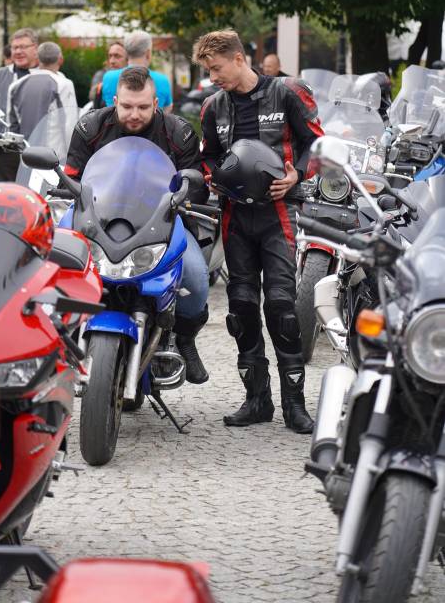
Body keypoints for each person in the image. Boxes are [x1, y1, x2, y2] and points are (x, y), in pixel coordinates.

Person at [195, 30, 323, 433]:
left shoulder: (287, 92)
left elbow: (316, 145)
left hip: (279, 214)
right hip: (235, 217)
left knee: (282, 306)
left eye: (217, 68)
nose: (213, 77)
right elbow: (207, 157)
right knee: (242, 306)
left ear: (238, 59)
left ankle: (295, 406)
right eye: (208, 71)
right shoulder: (213, 106)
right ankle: (256, 400)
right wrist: (213, 178)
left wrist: (296, 175)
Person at [65, 66, 210, 384]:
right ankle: (60, 335)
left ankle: (185, 339)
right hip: (99, 223)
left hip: (164, 222)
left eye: (143, 107)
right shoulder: (91, 127)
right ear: (115, 101)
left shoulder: (179, 132)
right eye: (127, 106)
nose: (134, 114)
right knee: (58, 263)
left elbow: (197, 184)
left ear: (156, 103)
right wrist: (64, 187)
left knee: (196, 277)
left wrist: (188, 189)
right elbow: (72, 177)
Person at [7, 41, 78, 144]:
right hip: (53, 152)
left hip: (25, 151)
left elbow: (12, 127)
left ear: (37, 59)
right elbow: (69, 125)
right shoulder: (64, 84)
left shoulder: (15, 86)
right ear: (61, 60)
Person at [101, 30, 173, 112]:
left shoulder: (108, 77)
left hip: (115, 120)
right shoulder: (162, 80)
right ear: (148, 53)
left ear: (127, 53)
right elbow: (167, 110)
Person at [0, 28, 39, 114]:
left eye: (23, 47)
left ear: (35, 48)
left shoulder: (49, 76)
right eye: (15, 48)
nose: (18, 51)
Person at [89, 41, 128, 107]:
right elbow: (92, 96)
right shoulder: (101, 74)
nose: (112, 61)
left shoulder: (134, 76)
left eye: (117, 56)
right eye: (110, 56)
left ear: (128, 59)